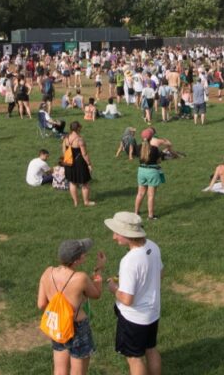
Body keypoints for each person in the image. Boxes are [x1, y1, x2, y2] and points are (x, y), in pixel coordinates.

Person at [104, 212, 162, 375]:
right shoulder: (152, 246)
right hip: (152, 312)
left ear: (127, 235)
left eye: (117, 233)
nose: (114, 237)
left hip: (134, 317)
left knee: (134, 358)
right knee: (151, 349)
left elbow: (127, 299)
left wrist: (114, 288)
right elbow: (160, 273)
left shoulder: (129, 261)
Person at [38, 239, 106, 375]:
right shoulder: (80, 278)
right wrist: (99, 270)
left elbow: (41, 304)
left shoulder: (48, 272)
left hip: (58, 324)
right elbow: (97, 294)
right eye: (83, 254)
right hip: (78, 327)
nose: (85, 255)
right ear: (76, 261)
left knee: (60, 369)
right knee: (78, 371)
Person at [135, 130, 170, 220]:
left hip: (141, 170)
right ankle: (150, 216)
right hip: (152, 171)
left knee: (140, 193)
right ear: (152, 138)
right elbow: (158, 161)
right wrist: (163, 153)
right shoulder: (154, 149)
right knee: (150, 195)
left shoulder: (138, 147)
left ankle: (136, 213)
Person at [63, 122, 96, 207]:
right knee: (85, 183)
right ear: (77, 128)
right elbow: (84, 154)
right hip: (79, 163)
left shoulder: (66, 138)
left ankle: (76, 202)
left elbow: (64, 151)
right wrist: (89, 164)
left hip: (69, 163)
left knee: (72, 183)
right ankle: (86, 202)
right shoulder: (80, 140)